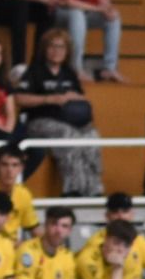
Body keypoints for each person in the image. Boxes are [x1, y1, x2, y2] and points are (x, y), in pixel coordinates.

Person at [17, 29, 101, 198]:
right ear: (44, 49)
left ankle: (93, 190)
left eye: (61, 47)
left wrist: (72, 96)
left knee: (92, 135)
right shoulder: (34, 71)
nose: (57, 51)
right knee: (69, 135)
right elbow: (19, 98)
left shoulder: (69, 73)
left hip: (69, 119)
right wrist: (49, 99)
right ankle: (73, 190)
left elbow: (80, 96)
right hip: (40, 121)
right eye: (52, 46)